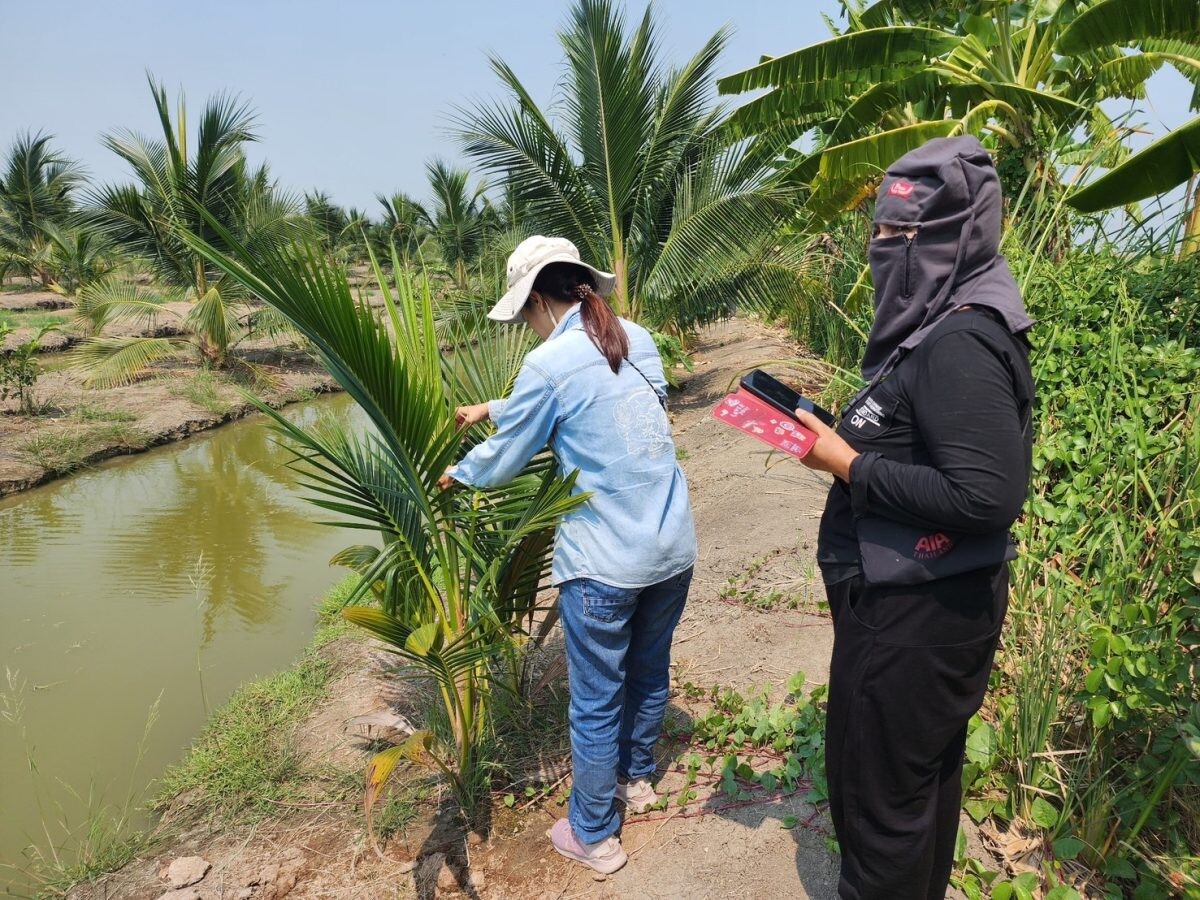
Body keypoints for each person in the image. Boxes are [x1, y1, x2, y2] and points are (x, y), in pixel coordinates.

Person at [791, 136, 1035, 900]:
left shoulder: (959, 338)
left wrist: (847, 463)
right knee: (916, 793)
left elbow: (987, 496)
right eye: (882, 235)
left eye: (907, 236)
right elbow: (929, 444)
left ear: (960, 236)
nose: (886, 251)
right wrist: (838, 431)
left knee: (882, 817)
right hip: (920, 613)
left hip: (913, 621)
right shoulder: (945, 321)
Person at [438, 235, 697, 875]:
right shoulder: (637, 338)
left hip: (605, 562)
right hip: (671, 547)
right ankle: (637, 781)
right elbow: (603, 402)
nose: (527, 326)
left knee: (595, 698)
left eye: (525, 314)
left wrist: (456, 474)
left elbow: (509, 453)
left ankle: (593, 835)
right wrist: (492, 407)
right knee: (648, 667)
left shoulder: (547, 366)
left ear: (536, 302)